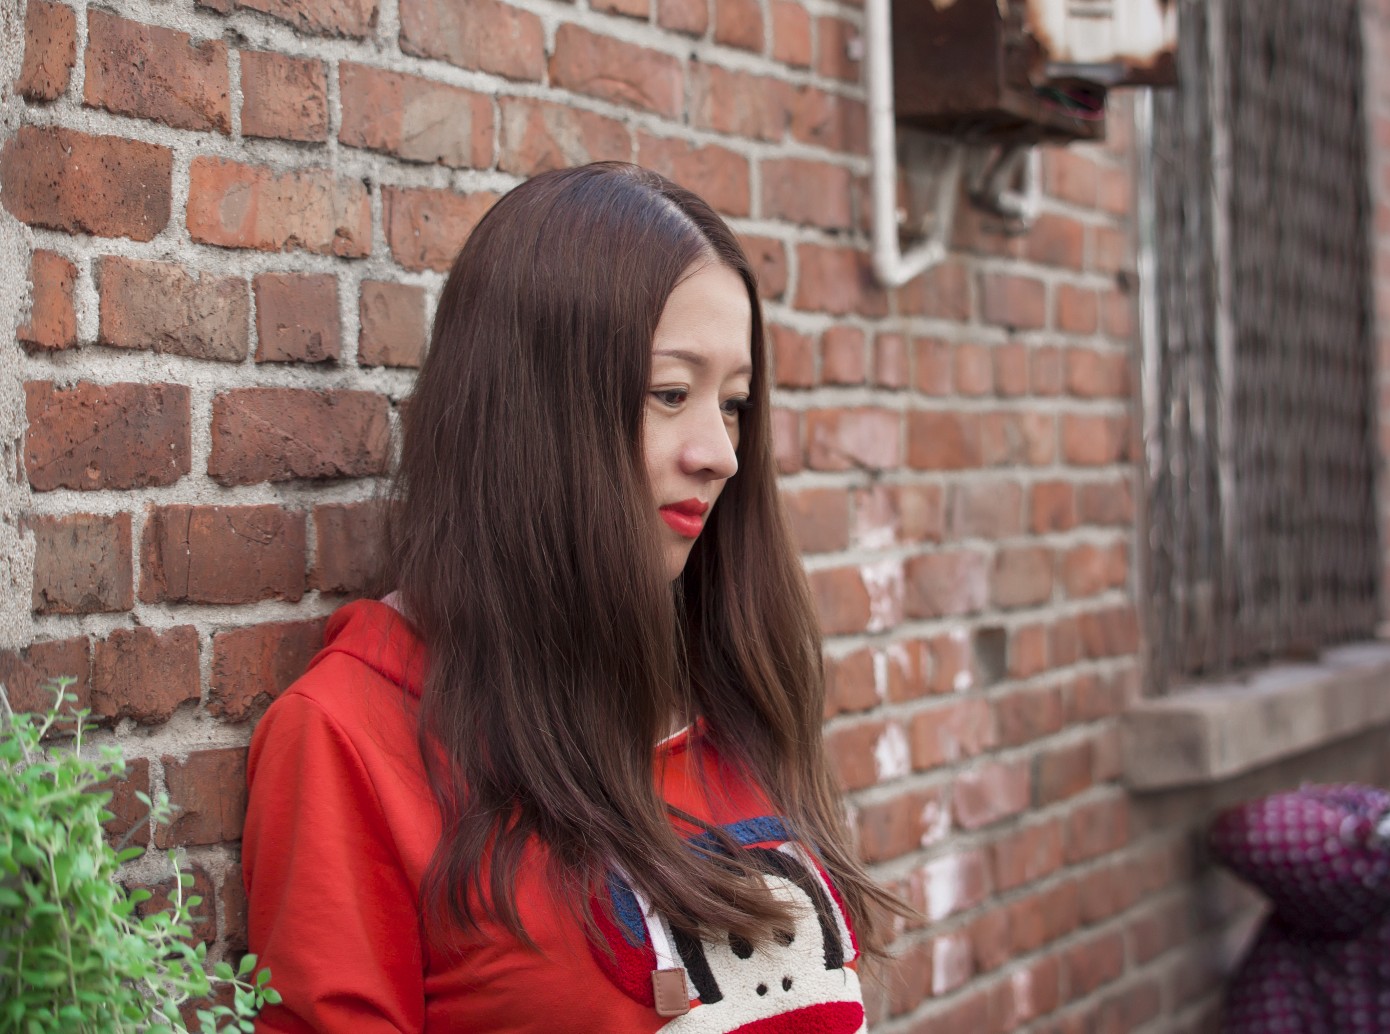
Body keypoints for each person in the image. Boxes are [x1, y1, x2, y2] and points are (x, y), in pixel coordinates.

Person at [242, 163, 901, 1033]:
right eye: (672, 394)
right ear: (536, 409)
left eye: (735, 403)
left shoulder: (732, 686)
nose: (721, 452)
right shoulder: (353, 737)